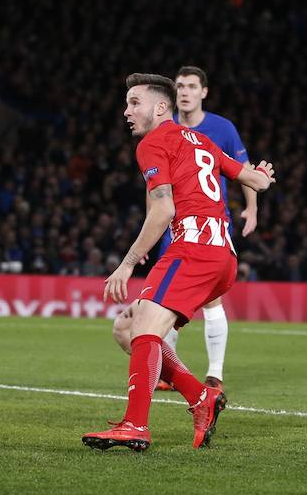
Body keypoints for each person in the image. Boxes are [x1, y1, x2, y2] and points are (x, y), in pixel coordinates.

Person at [81, 73, 275, 452]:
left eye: (134, 102)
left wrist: (127, 263)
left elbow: (163, 208)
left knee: (144, 333)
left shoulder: (153, 143)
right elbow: (255, 180)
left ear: (160, 107)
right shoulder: (202, 140)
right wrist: (264, 178)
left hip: (193, 248)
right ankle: (201, 397)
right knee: (127, 328)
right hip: (222, 254)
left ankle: (135, 426)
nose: (126, 111)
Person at [155, 66, 258, 393]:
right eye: (180, 86)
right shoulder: (165, 127)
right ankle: (168, 371)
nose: (184, 92)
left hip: (211, 226)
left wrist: (252, 208)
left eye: (190, 86)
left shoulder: (222, 128)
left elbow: (244, 170)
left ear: (204, 92)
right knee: (167, 302)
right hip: (174, 225)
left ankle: (214, 374)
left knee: (211, 301)